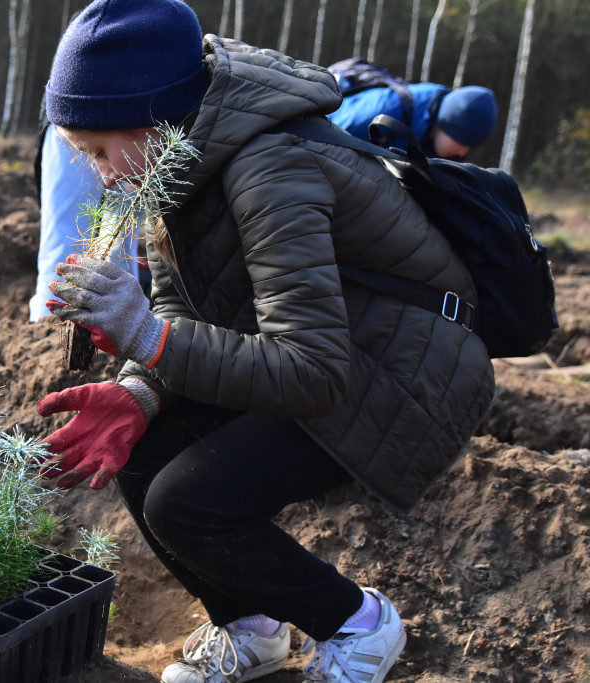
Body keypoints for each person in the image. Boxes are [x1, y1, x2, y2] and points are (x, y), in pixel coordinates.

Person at [35, 1, 495, 682]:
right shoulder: (176, 163)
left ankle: (361, 626)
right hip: (324, 351)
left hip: (403, 376)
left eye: (100, 150)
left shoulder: (269, 170)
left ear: (157, 118)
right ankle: (251, 632)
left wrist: (147, 336)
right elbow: (177, 306)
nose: (100, 174)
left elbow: (311, 372)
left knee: (188, 501)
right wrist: (136, 388)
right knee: (141, 447)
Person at [30, 122, 143, 321]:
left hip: (138, 125)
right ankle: (49, 333)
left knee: (120, 250)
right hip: (74, 120)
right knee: (64, 250)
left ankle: (121, 330)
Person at [328, 80, 497, 160]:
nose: (463, 152)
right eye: (462, 142)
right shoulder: (388, 108)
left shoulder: (433, 126)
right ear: (447, 124)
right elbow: (324, 135)